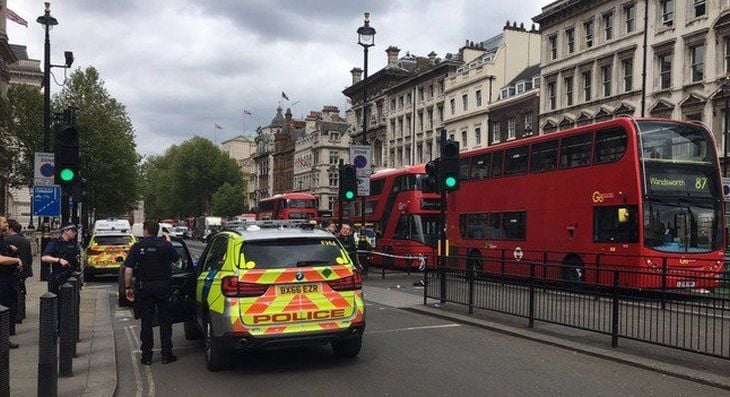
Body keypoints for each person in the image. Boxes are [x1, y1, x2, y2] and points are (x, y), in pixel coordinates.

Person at [123, 221, 180, 366]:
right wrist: (168, 243)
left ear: (146, 231)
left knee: (146, 321)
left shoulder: (138, 246)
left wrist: (128, 287)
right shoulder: (165, 245)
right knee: (165, 322)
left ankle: (146, 356)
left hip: (145, 288)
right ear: (157, 231)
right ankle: (166, 354)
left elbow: (128, 270)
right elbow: (177, 261)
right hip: (164, 287)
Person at [0, 215, 22, 348]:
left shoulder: (4, 239)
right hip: (1, 279)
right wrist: (16, 260)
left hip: (7, 279)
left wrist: (12, 250)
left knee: (7, 308)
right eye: (3, 222)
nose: (7, 224)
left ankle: (4, 340)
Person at [5, 219, 32, 323]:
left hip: (13, 269)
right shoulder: (25, 240)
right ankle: (21, 312)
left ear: (10, 228)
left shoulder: (8, 240)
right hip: (24, 270)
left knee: (15, 292)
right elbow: (29, 257)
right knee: (21, 290)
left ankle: (17, 314)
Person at [41, 223, 80, 294]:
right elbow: (44, 258)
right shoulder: (55, 243)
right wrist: (59, 260)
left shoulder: (73, 244)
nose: (75, 233)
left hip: (72, 278)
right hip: (59, 277)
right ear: (65, 231)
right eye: (73, 230)